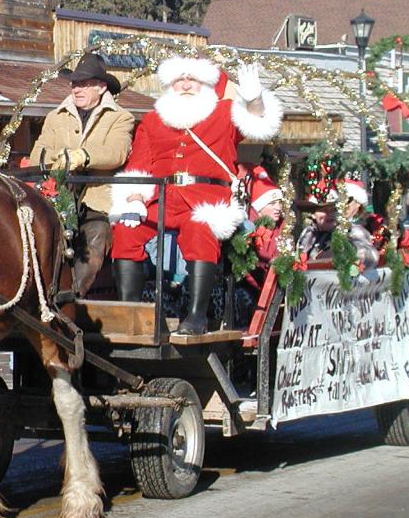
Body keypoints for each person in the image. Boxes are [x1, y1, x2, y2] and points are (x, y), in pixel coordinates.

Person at [108, 56, 283, 334]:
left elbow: (256, 123)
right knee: (126, 230)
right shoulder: (153, 120)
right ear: (170, 84)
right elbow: (139, 165)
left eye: (193, 79)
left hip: (206, 196)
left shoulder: (224, 114)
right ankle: (130, 313)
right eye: (180, 80)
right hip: (162, 198)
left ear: (206, 84)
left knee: (198, 228)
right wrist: (135, 199)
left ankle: (196, 315)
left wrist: (255, 101)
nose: (186, 85)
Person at [28, 53, 135, 297]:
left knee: (95, 240)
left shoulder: (121, 117)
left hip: (96, 204)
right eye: (75, 84)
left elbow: (116, 152)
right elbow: (37, 155)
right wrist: (63, 158)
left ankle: (70, 299)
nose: (77, 89)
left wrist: (84, 156)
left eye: (84, 84)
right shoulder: (55, 116)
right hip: (55, 199)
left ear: (101, 87)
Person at [297, 180, 379, 270]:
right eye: (322, 209)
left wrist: (351, 254)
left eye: (333, 209)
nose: (328, 214)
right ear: (313, 214)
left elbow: (371, 256)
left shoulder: (351, 230)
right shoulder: (309, 233)